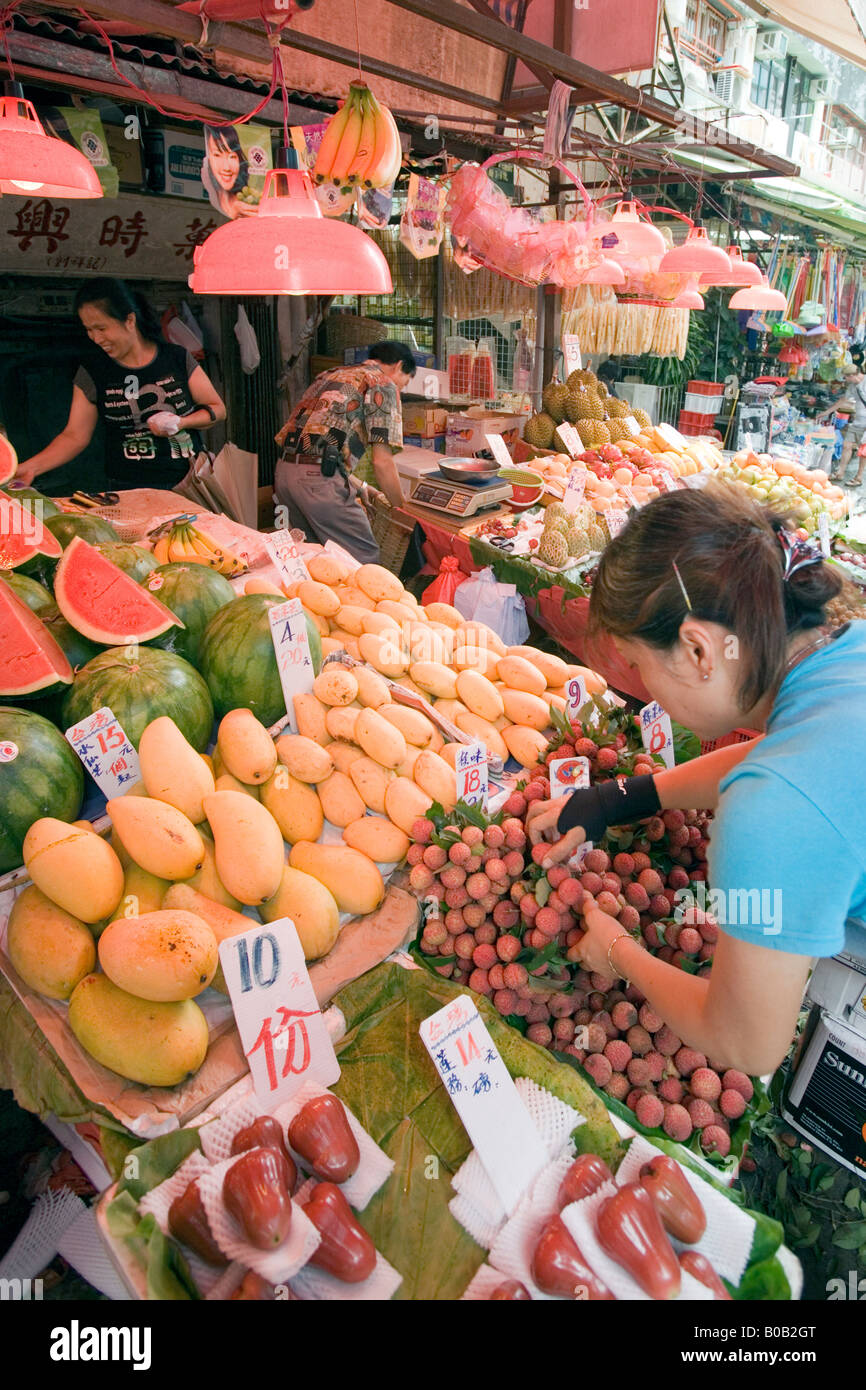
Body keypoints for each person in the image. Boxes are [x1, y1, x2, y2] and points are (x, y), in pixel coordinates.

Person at [526, 483, 865, 1078]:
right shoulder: (842, 649)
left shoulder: (770, 813)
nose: (642, 684)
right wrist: (617, 798)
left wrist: (618, 952)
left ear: (699, 651)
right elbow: (782, 759)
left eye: (638, 665)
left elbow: (748, 1046)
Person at [16, 279, 226, 492]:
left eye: (102, 328)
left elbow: (218, 410)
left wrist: (181, 422)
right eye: (89, 329)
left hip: (190, 484)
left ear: (129, 320)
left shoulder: (176, 358)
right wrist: (30, 468)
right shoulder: (93, 372)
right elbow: (74, 436)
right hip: (127, 490)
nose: (96, 338)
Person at [274, 341, 414, 564]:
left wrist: (360, 485)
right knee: (363, 560)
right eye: (405, 383)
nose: (401, 390)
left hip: (284, 473)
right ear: (399, 366)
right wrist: (401, 510)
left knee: (314, 557)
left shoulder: (332, 375)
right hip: (318, 485)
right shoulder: (383, 384)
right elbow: (382, 462)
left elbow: (318, 444)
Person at [202, 126, 257, 220]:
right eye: (217, 155)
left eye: (232, 157)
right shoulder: (214, 195)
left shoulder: (250, 204)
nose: (227, 168)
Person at [829, 365, 866, 488]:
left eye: (846, 377)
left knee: (863, 451)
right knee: (847, 445)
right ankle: (840, 473)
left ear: (852, 375)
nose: (846, 380)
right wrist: (827, 412)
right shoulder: (852, 386)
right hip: (858, 421)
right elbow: (843, 400)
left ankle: (859, 477)